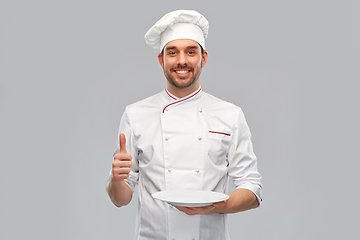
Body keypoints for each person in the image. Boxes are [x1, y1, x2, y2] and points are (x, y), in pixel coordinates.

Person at [106, 10, 262, 240]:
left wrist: (215, 206)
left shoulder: (230, 115)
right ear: (161, 60)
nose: (181, 60)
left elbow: (253, 190)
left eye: (191, 52)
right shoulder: (136, 114)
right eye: (172, 52)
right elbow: (121, 199)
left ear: (204, 58)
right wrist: (116, 179)